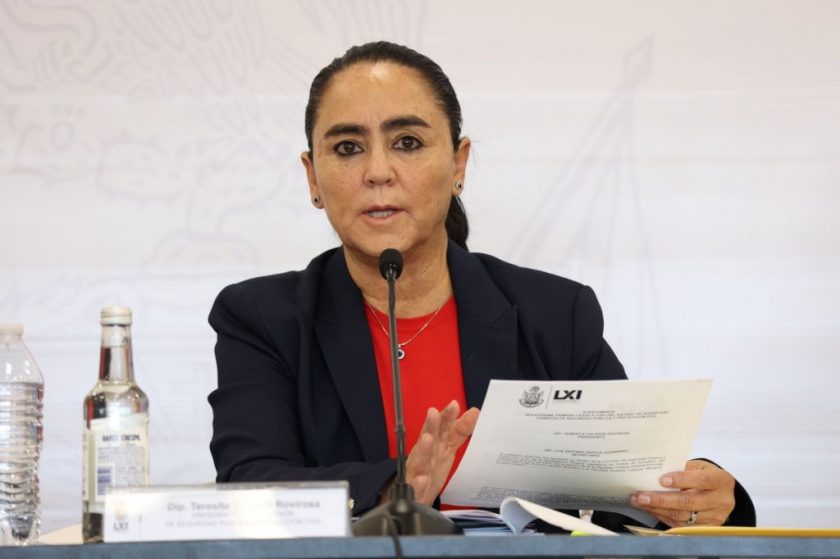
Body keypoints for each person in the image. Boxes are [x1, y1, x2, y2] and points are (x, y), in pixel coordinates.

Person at [208, 41, 755, 530]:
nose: (377, 171)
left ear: (458, 164)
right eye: (348, 147)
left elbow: (622, 487)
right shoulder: (263, 318)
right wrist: (394, 487)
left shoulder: (554, 314)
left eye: (407, 141)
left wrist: (698, 496)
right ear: (313, 177)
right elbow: (247, 486)